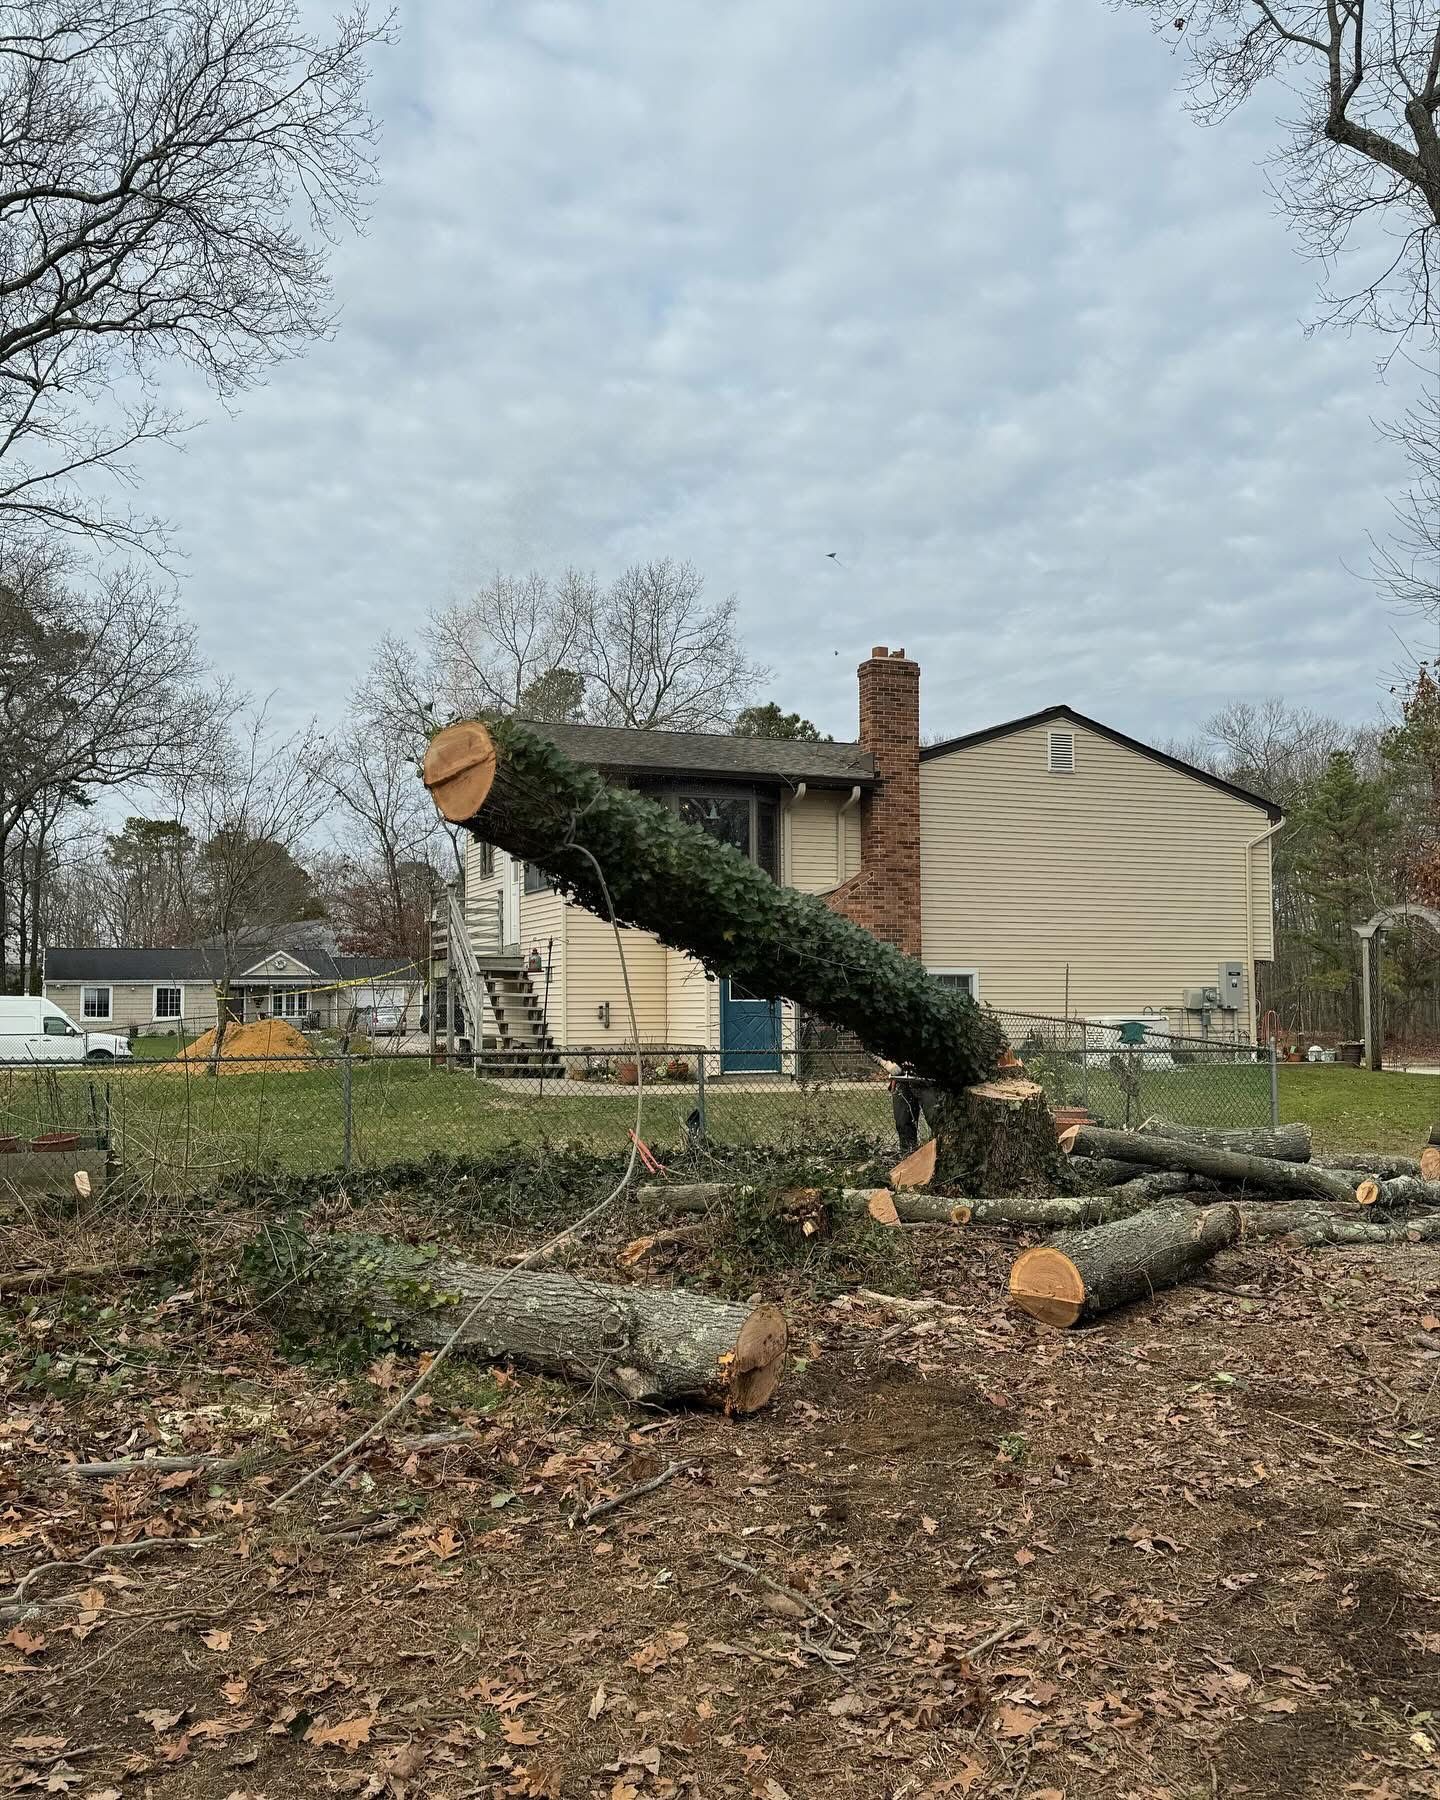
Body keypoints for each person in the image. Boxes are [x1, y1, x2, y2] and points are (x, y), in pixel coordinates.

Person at [879, 1057, 940, 1156]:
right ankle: (908, 1158)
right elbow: (870, 1048)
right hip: (902, 1080)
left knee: (937, 1120)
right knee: (903, 1124)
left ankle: (939, 1159)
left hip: (929, 1080)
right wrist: (887, 1064)